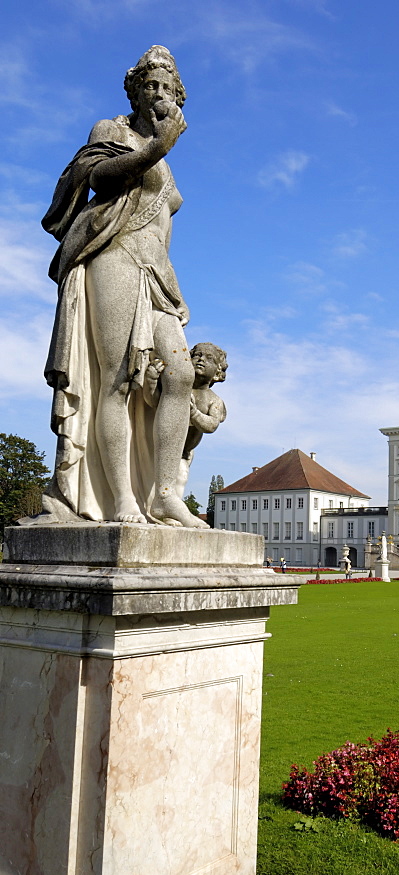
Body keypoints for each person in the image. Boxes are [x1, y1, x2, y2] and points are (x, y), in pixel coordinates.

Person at [40, 45, 205, 528]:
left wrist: (172, 285)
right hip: (113, 259)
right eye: (149, 85)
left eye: (166, 87)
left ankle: (165, 494)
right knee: (118, 380)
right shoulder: (112, 131)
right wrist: (156, 148)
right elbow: (98, 178)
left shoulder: (166, 158)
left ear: (178, 97)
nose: (157, 94)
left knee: (178, 376)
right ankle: (121, 501)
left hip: (157, 272)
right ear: (135, 92)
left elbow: (164, 214)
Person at [144, 342, 227, 501]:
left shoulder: (214, 400)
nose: (201, 359)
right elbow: (154, 402)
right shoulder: (175, 387)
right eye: (197, 355)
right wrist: (152, 381)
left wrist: (194, 413)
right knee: (150, 478)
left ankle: (172, 508)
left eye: (209, 358)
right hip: (158, 445)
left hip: (184, 452)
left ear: (217, 372)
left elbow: (211, 425)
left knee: (180, 477)